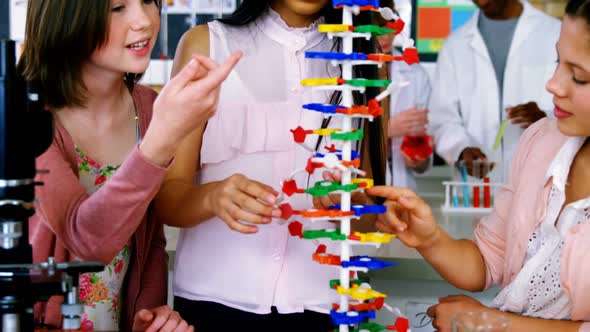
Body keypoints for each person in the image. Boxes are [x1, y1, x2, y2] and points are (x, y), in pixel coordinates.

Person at [153, 0, 386, 330]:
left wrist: (351, 207)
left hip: (327, 305)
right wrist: (211, 197)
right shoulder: (206, 45)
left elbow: (371, 217)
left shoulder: (364, 61)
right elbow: (167, 199)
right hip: (214, 301)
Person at [366, 0, 590, 329]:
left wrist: (493, 322)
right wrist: (429, 238)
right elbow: (488, 261)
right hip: (477, 184)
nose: (553, 85)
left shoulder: (540, 31)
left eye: (579, 76)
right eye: (557, 62)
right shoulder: (542, 142)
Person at [19, 0, 240, 330]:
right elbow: (86, 239)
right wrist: (161, 140)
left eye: (148, 1)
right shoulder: (26, 117)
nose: (144, 21)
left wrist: (150, 315)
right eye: (118, 7)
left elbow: (150, 241)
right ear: (65, 15)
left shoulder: (150, 109)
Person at [428, 0, 561, 180]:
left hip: (540, 181)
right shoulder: (455, 45)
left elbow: (578, 106)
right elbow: (442, 119)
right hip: (478, 189)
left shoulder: (555, 34)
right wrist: (460, 149)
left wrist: (546, 120)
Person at [374, 0, 432, 189]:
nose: (386, 35)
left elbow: (425, 137)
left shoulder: (415, 73)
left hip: (402, 187)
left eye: (391, 26)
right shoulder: (346, 71)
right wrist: (387, 129)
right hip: (361, 188)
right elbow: (335, 137)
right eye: (379, 27)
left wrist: (419, 160)